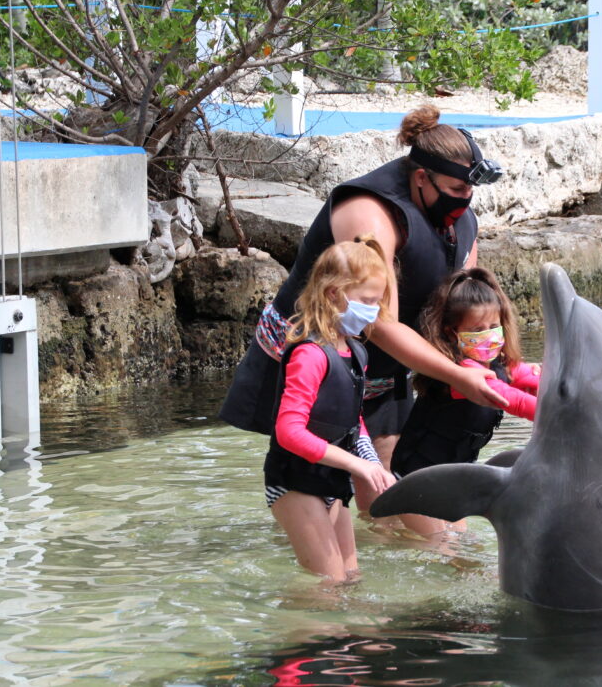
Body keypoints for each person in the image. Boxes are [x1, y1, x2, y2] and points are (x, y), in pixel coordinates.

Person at [220, 104, 510, 509]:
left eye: (470, 192)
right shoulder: (368, 210)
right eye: (457, 189)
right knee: (319, 488)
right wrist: (456, 377)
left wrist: (494, 364)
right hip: (323, 362)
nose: (465, 200)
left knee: (389, 492)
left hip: (385, 371)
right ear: (422, 177)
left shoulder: (460, 217)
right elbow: (376, 320)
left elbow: (460, 304)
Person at [265, 236, 398, 583]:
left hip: (331, 481)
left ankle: (346, 638)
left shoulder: (356, 351)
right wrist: (355, 465)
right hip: (295, 483)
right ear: (332, 294)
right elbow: (289, 432)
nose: (373, 310)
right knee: (329, 584)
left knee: (351, 578)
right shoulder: (310, 354)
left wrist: (370, 462)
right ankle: (307, 637)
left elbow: (353, 422)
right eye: (367, 300)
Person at [390, 267, 541, 535]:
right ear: (451, 333)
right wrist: (566, 416)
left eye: (494, 327)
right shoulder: (461, 373)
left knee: (462, 547)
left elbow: (534, 379)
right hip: (416, 479)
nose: (488, 334)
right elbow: (514, 401)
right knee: (441, 548)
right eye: (477, 329)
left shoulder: (499, 365)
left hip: (452, 479)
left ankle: (383, 533)